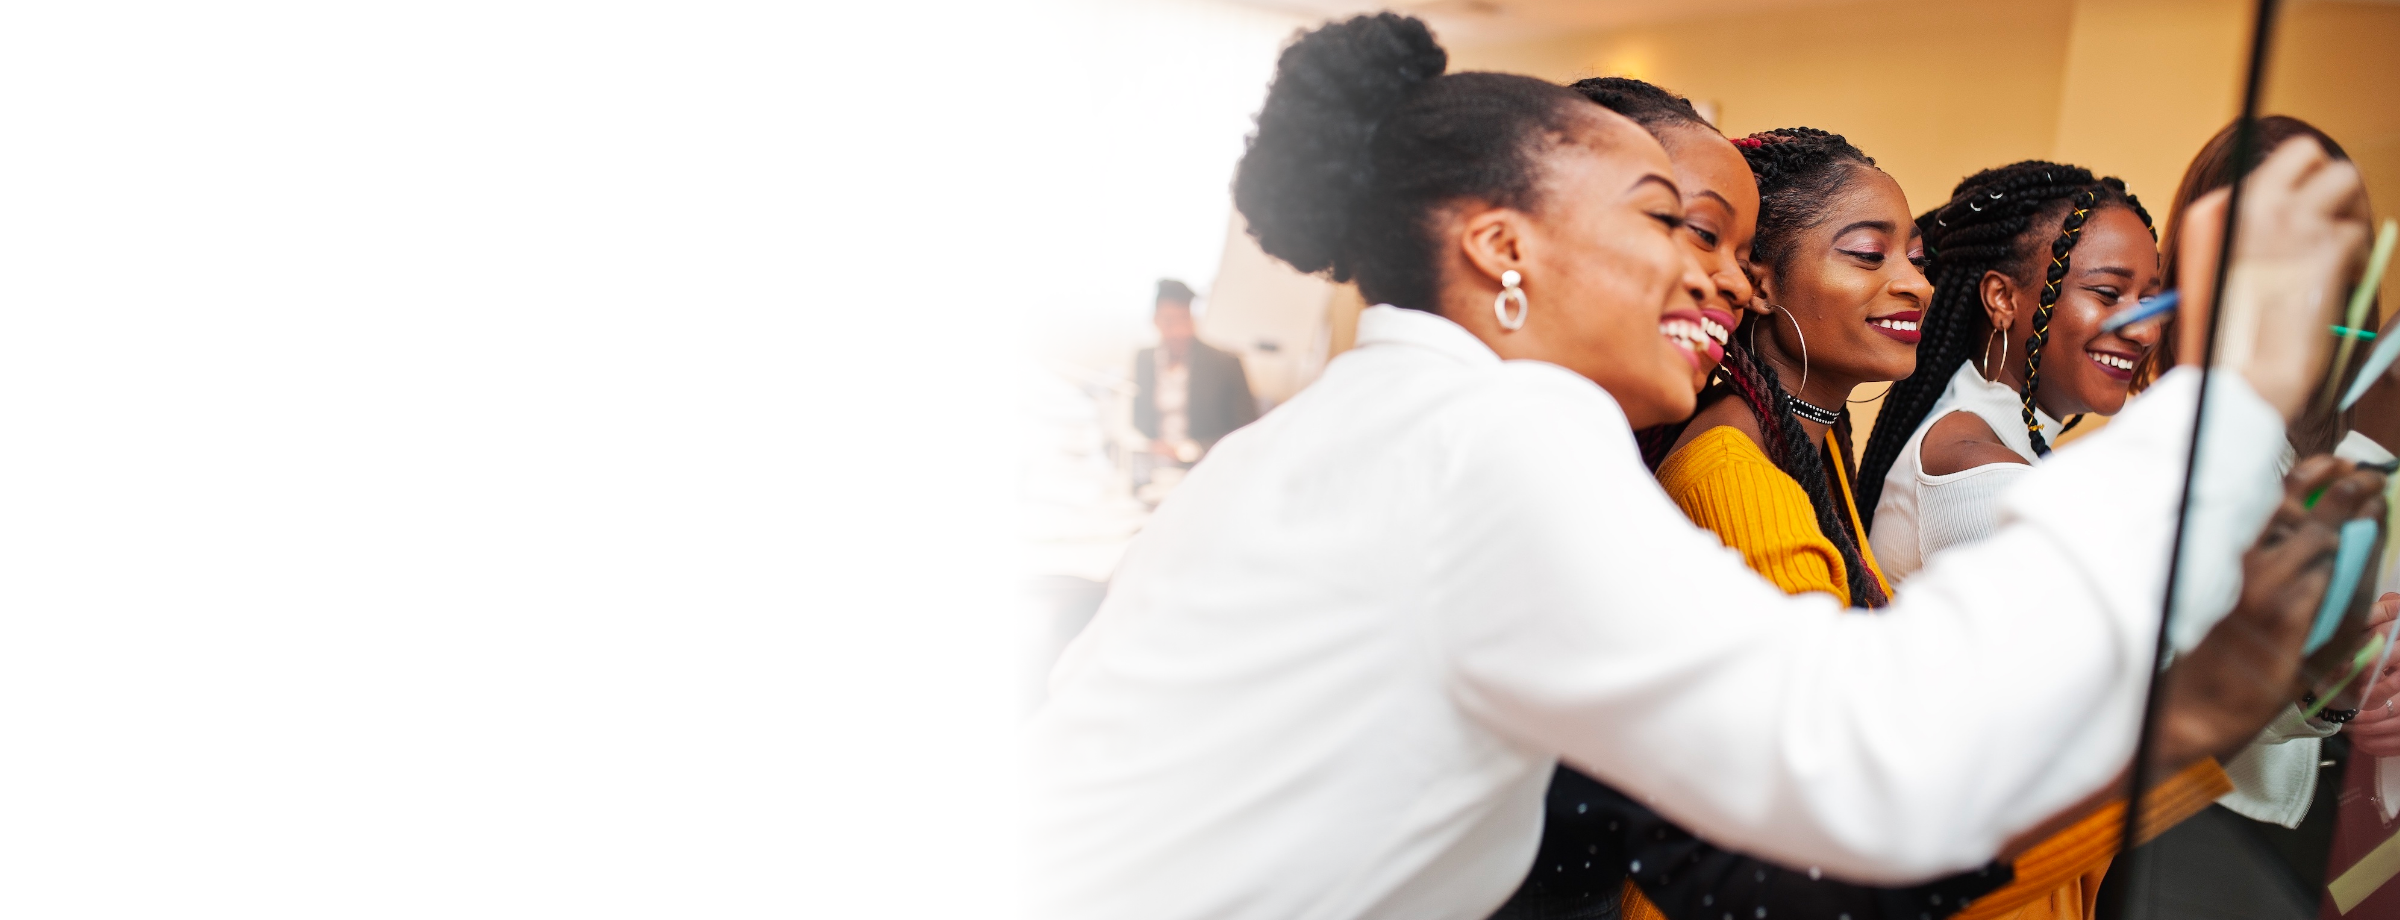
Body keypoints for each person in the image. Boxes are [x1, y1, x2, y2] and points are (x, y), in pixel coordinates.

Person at [1025, 15, 2375, 920]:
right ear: (1506, 248)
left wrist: (2181, 720)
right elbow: (1863, 754)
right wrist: (2231, 391)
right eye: (1667, 218)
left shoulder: (1352, 434)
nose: (1712, 272)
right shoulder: (1491, 431)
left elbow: (1772, 833)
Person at [1134, 279, 1258, 470]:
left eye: (1184, 319)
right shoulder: (1144, 359)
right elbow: (1139, 418)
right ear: (1155, 321)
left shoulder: (1225, 364)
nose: (1178, 331)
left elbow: (1246, 431)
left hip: (1205, 466)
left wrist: (1189, 450)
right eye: (1169, 322)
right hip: (1155, 464)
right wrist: (1153, 446)